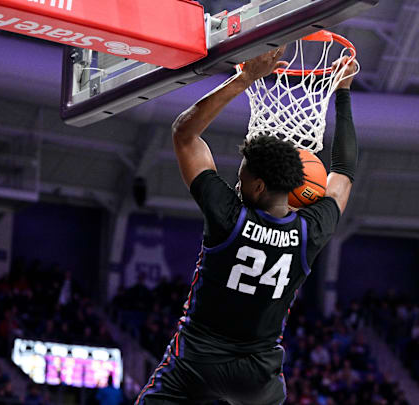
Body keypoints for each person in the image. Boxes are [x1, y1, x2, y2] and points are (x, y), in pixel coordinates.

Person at [134, 47, 359, 405]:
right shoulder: (309, 232)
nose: (236, 183)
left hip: (198, 361)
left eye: (241, 177)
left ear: (257, 186)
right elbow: (343, 173)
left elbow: (184, 134)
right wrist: (343, 92)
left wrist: (245, 78)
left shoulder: (229, 216)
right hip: (257, 378)